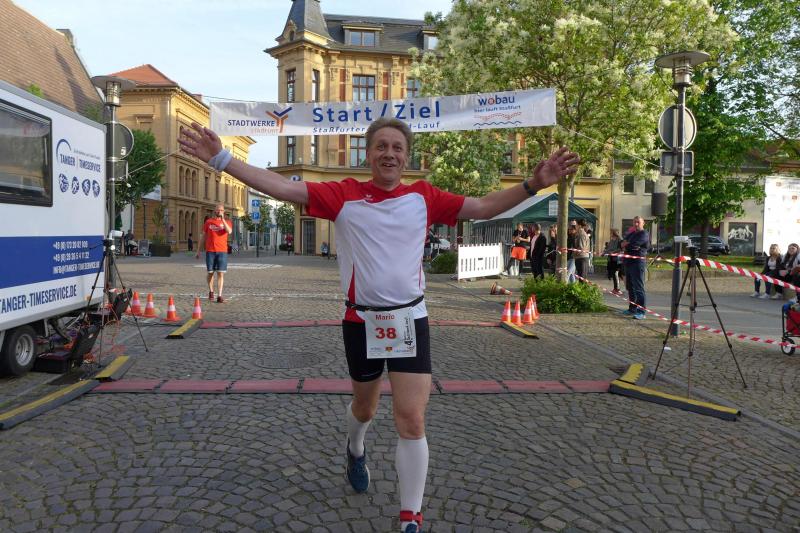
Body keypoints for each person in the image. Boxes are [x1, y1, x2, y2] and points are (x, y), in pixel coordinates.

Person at [179, 117, 579, 533]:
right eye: (381, 146)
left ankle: (410, 518)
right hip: (361, 321)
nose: (389, 154)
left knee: (411, 419)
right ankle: (355, 447)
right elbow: (282, 187)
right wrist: (222, 158)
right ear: (368, 154)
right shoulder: (343, 195)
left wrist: (534, 184)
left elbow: (481, 207)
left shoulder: (423, 196)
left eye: (397, 147)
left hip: (410, 320)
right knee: (365, 407)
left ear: (407, 157)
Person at [196, 204, 232, 303]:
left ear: (224, 211)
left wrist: (223, 219)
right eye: (218, 210)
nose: (219, 211)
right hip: (210, 251)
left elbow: (229, 231)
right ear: (214, 211)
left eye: (221, 210)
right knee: (210, 273)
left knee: (220, 273)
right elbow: (203, 236)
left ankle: (219, 295)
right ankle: (211, 291)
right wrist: (198, 250)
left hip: (222, 251)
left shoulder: (227, 222)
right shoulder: (208, 222)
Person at [621, 216, 649, 319]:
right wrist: (626, 244)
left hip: (637, 263)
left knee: (638, 288)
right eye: (634, 222)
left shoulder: (644, 234)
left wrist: (627, 245)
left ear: (643, 223)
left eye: (638, 222)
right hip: (628, 262)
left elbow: (633, 245)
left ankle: (641, 311)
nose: (636, 224)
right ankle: (632, 308)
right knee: (630, 287)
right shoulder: (632, 234)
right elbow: (621, 243)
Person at [603, 228, 623, 294]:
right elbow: (608, 248)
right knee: (613, 273)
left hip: (617, 259)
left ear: (614, 233)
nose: (610, 233)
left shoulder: (619, 240)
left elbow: (620, 249)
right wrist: (604, 253)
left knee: (616, 273)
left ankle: (618, 289)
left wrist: (613, 252)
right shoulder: (611, 240)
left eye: (611, 232)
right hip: (611, 259)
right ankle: (615, 288)